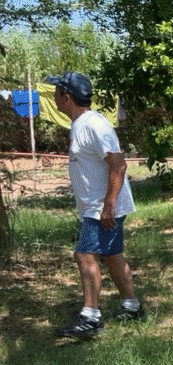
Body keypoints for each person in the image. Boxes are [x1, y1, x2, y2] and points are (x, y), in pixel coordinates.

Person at [52, 72, 143, 338]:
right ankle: (132, 307)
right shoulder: (80, 124)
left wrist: (108, 206)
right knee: (112, 255)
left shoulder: (94, 124)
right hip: (99, 205)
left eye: (56, 92)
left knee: (84, 255)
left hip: (102, 207)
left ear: (66, 97)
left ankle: (91, 317)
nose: (54, 96)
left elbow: (119, 165)